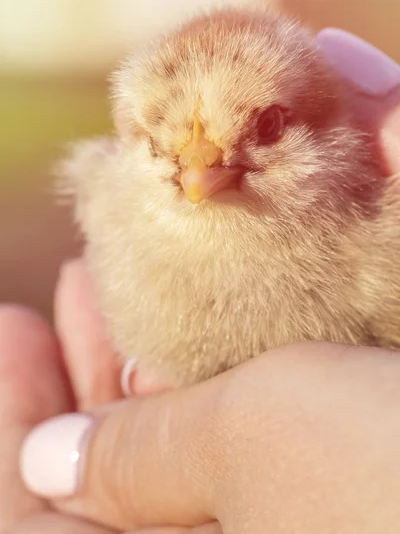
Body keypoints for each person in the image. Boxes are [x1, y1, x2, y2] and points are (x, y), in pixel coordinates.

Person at [1, 28, 400, 534]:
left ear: (329, 123)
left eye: (269, 126)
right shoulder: (112, 200)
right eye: (155, 142)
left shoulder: (383, 229)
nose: (197, 172)